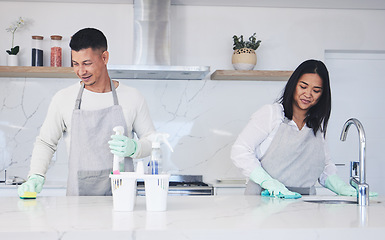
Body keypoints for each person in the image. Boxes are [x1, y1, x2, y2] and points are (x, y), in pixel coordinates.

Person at [18, 28, 155, 196]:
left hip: (123, 201)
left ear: (104, 57)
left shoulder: (132, 97)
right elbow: (46, 142)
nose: (81, 71)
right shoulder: (64, 98)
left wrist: (135, 148)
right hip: (78, 203)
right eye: (75, 64)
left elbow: (152, 141)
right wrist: (36, 176)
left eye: (87, 63)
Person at [231, 59, 377, 198]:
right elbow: (240, 150)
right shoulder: (272, 114)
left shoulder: (316, 126)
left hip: (303, 203)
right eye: (303, 86)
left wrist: (341, 187)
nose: (308, 94)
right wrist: (267, 182)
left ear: (322, 95)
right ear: (294, 85)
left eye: (316, 90)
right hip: (263, 199)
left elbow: (324, 166)